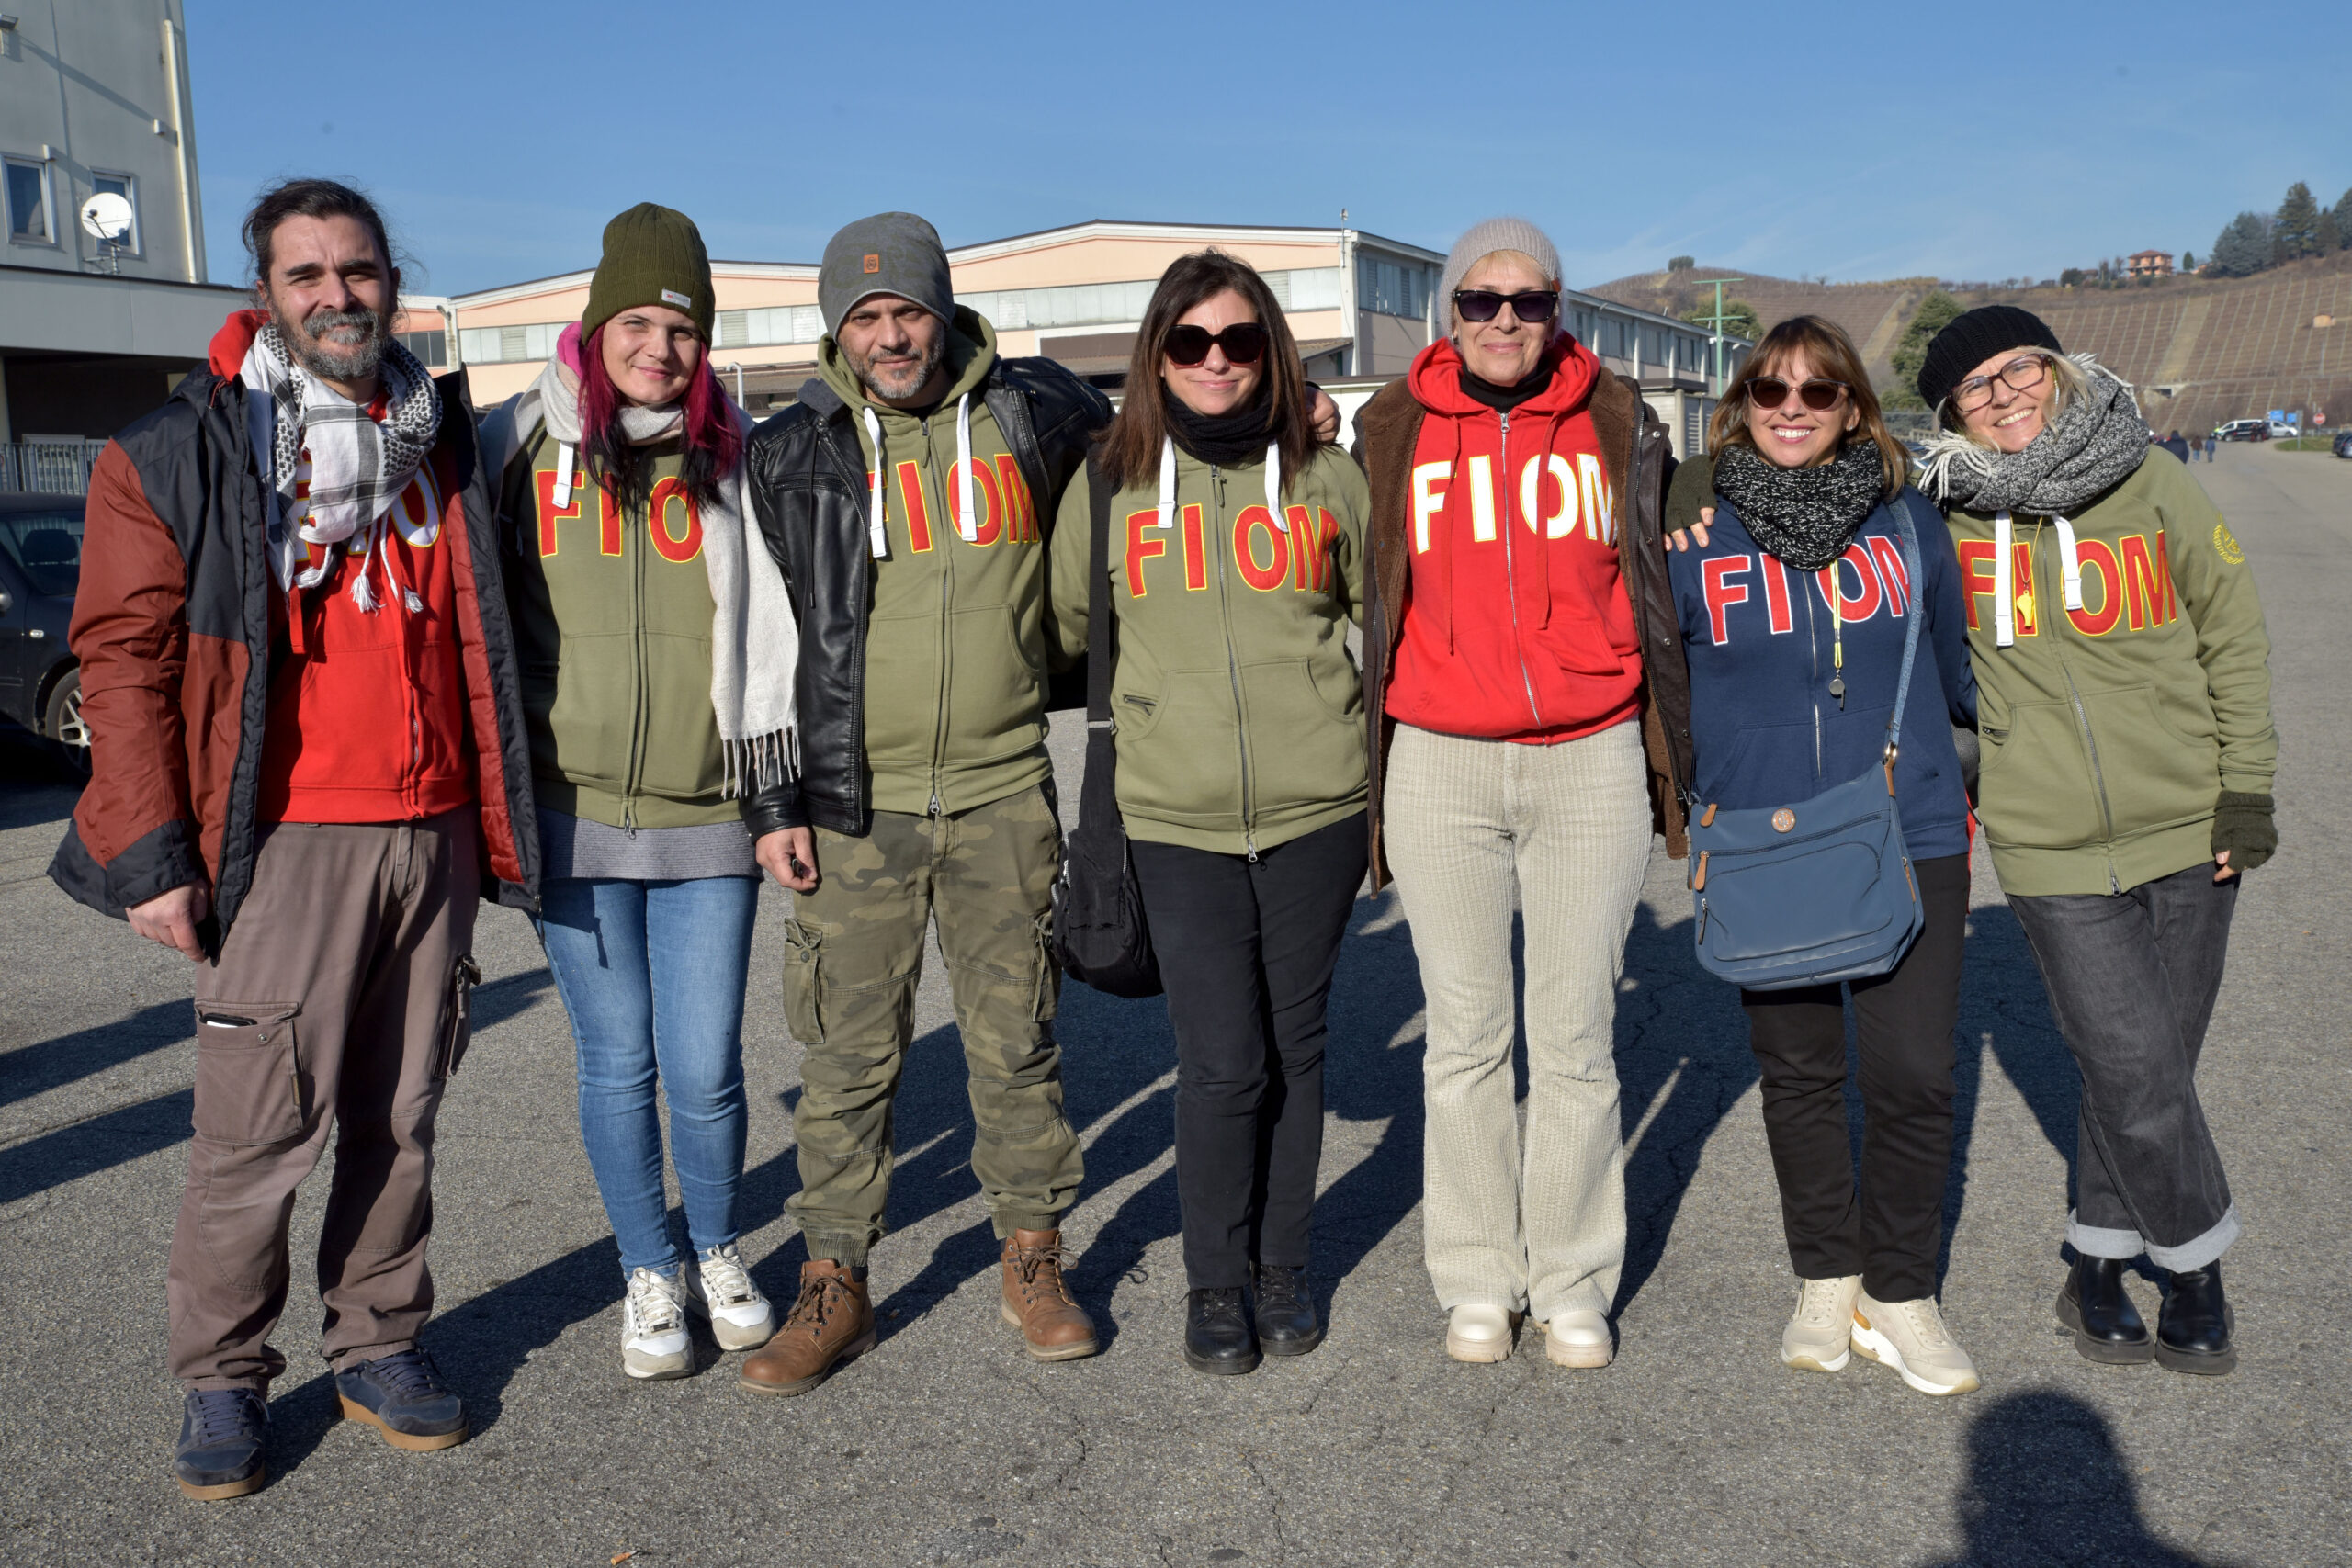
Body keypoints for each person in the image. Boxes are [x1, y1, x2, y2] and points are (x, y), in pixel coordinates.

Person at [50, 179, 537, 1497]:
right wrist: (151, 854)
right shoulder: (176, 448)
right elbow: (124, 660)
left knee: (402, 1111)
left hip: (428, 831)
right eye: (308, 273)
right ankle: (222, 1371)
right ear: (264, 293)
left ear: (393, 281)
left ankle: (378, 1338)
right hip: (283, 840)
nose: (337, 295)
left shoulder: (440, 443)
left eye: (359, 270)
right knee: (257, 1133)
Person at [734, 213, 1114, 1393]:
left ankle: (1033, 1255)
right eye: (864, 316)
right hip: (856, 801)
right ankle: (833, 1277)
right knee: (848, 1054)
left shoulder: (1035, 415)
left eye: (906, 309)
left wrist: (1300, 419)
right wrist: (771, 802)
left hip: (1003, 784)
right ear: (835, 330)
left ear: (941, 309)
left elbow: (1163, 448)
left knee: (1016, 1042)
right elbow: (755, 636)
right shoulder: (788, 452)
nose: (890, 335)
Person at [1351, 218, 1686, 1369]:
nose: (1504, 321)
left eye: (1529, 301)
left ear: (1561, 310)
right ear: (1449, 314)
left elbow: (1674, 543)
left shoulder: (1618, 419)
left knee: (1578, 1035)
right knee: (1465, 1036)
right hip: (1437, 756)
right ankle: (1479, 1276)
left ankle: (1573, 1277)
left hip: (1589, 753)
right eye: (1480, 302)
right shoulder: (1389, 428)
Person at [1916, 305, 2275, 1376]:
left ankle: (2092, 1264)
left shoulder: (2150, 479)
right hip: (2048, 841)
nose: (2005, 394)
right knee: (2129, 1060)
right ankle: (2196, 1268)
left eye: (2019, 368)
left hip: (2188, 826)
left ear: (2060, 372)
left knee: (2150, 1068)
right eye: (1976, 388)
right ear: (1952, 416)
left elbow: (2232, 631)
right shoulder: (1946, 520)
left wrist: (2244, 789)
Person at [481, 206, 804, 1382]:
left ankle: (719, 1248)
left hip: (708, 811)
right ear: (596, 323)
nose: (659, 347)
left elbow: (779, 625)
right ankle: (647, 1267)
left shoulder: (736, 454)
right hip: (569, 815)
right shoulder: (512, 443)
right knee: (616, 1063)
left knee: (709, 1060)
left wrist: (781, 800)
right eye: (638, 320)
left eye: (681, 327)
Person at [1047, 252, 1371, 1375]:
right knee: (1223, 1061)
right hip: (1172, 816)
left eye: (1239, 341)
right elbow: (1071, 628)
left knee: (1299, 1048)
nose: (1217, 362)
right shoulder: (1109, 484)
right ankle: (1214, 1280)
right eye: (1191, 343)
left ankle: (1285, 1266)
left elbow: (1382, 607)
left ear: (1271, 349)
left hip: (1317, 807)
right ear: (1157, 357)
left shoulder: (1329, 478)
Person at [1661, 317, 1982, 1397]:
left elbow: (1954, 669)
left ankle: (1899, 1292)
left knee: (1913, 1075)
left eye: (1816, 390)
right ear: (1740, 403)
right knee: (1798, 1075)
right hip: (1763, 836)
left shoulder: (1909, 521)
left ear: (1853, 406)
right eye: (1767, 389)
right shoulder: (1690, 527)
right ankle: (1824, 1272)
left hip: (1908, 823)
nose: (1790, 407)